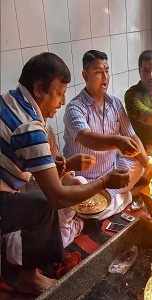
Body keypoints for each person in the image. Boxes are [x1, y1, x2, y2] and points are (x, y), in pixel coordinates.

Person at [0, 52, 129, 295]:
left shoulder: (10, 100)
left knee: (67, 182)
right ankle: (28, 277)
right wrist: (105, 181)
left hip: (10, 184)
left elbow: (28, 166)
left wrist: (67, 165)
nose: (61, 101)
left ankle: (25, 249)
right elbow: (56, 196)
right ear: (39, 89)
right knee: (44, 205)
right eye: (58, 93)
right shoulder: (30, 126)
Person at [63, 50, 148, 219]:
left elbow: (132, 137)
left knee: (141, 162)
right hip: (87, 181)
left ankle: (113, 201)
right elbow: (88, 139)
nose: (105, 77)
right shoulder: (75, 108)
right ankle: (121, 198)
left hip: (112, 172)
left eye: (107, 71)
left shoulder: (115, 104)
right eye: (98, 72)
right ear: (85, 75)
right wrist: (117, 141)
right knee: (80, 192)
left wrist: (148, 164)